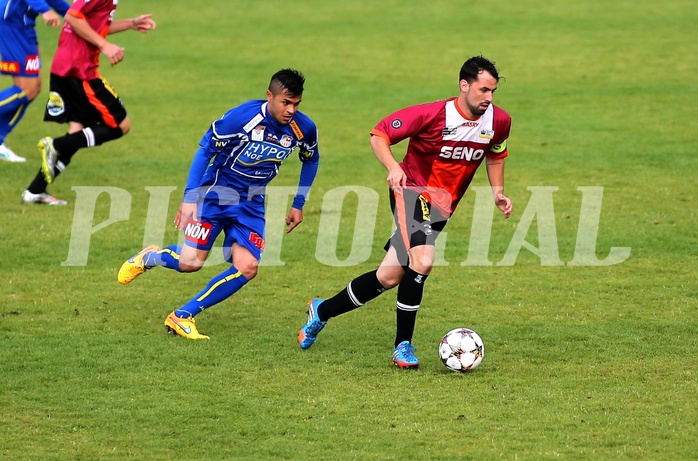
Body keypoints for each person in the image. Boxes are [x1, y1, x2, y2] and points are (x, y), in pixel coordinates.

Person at [298, 56, 513, 369]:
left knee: (388, 276)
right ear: (464, 86)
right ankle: (403, 346)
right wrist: (393, 167)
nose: (488, 98)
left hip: (441, 206)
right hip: (412, 192)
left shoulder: (499, 121)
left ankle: (323, 310)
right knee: (422, 260)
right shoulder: (431, 114)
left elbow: (496, 153)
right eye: (483, 90)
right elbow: (379, 133)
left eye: (493, 91)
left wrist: (498, 192)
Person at [118, 69, 321, 340]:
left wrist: (299, 202)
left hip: (252, 204)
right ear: (269, 96)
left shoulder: (302, 128)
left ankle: (183, 315)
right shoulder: (242, 118)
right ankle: (150, 257)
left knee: (248, 267)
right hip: (215, 195)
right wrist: (190, 197)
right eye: (286, 102)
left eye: (296, 104)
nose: (291, 110)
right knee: (191, 263)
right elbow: (206, 150)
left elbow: (311, 159)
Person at [21, 0, 156, 205]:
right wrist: (105, 46)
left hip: (66, 67)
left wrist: (131, 23)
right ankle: (55, 144)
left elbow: (91, 25)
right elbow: (72, 17)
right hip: (79, 70)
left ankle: (35, 190)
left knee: (78, 130)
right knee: (120, 125)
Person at [0, 0, 70, 163]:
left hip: (24, 26)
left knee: (33, 88)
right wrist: (44, 10)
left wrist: (79, 17)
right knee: (27, 89)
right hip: (11, 22)